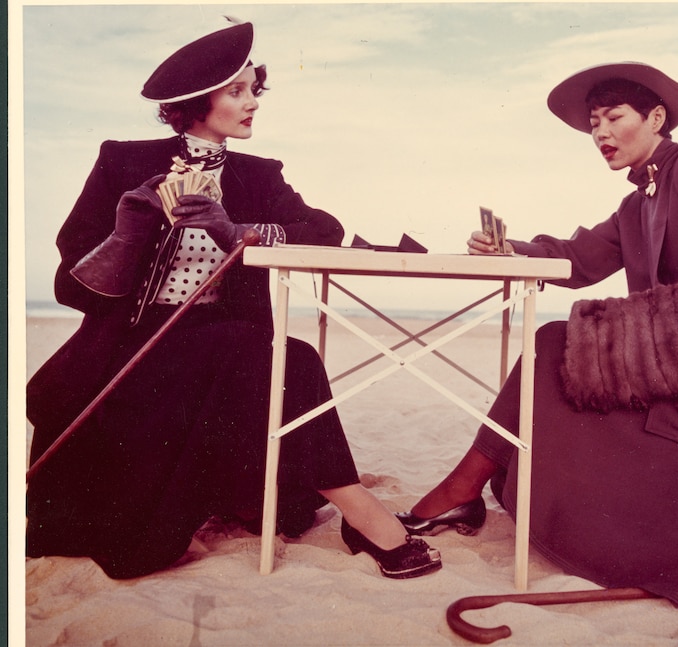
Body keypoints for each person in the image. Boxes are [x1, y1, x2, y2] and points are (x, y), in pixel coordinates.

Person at [396, 62, 678, 608]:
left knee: (557, 342)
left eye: (613, 118)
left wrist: (647, 336)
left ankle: (462, 490)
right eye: (593, 123)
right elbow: (579, 258)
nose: (599, 134)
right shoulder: (637, 202)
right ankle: (465, 488)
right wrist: (512, 251)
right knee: (555, 346)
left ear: (655, 118)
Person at [26, 21, 441, 581]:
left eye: (255, 91)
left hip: (226, 355)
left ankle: (356, 509)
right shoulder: (122, 161)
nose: (252, 104)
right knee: (280, 356)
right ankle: (359, 511)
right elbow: (72, 288)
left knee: (271, 352)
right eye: (237, 92)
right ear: (195, 102)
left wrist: (238, 230)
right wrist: (127, 233)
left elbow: (324, 231)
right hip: (129, 357)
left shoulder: (258, 174)